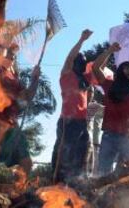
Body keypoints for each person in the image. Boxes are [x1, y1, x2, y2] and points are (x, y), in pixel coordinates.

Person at [0, 43, 41, 175]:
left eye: (14, 56)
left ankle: (20, 192)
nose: (13, 58)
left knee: (26, 162)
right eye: (10, 55)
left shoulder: (14, 77)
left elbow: (26, 98)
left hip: (11, 126)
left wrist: (35, 79)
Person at [93, 43, 129, 175]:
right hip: (108, 136)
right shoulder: (109, 86)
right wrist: (110, 51)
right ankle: (101, 195)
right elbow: (96, 67)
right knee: (103, 173)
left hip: (127, 137)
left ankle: (126, 195)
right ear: (120, 71)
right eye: (127, 68)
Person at [51, 29, 93, 183]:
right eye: (80, 59)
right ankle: (57, 185)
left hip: (82, 123)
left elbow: (97, 67)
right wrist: (81, 40)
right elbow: (69, 58)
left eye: (84, 60)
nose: (83, 61)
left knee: (81, 153)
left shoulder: (84, 79)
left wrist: (109, 50)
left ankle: (77, 185)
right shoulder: (67, 75)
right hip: (67, 122)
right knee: (64, 155)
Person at [85, 86, 104, 176]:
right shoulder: (78, 104)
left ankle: (91, 186)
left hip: (93, 143)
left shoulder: (95, 106)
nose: (89, 94)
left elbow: (111, 110)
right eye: (88, 91)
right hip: (77, 141)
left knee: (93, 169)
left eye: (91, 92)